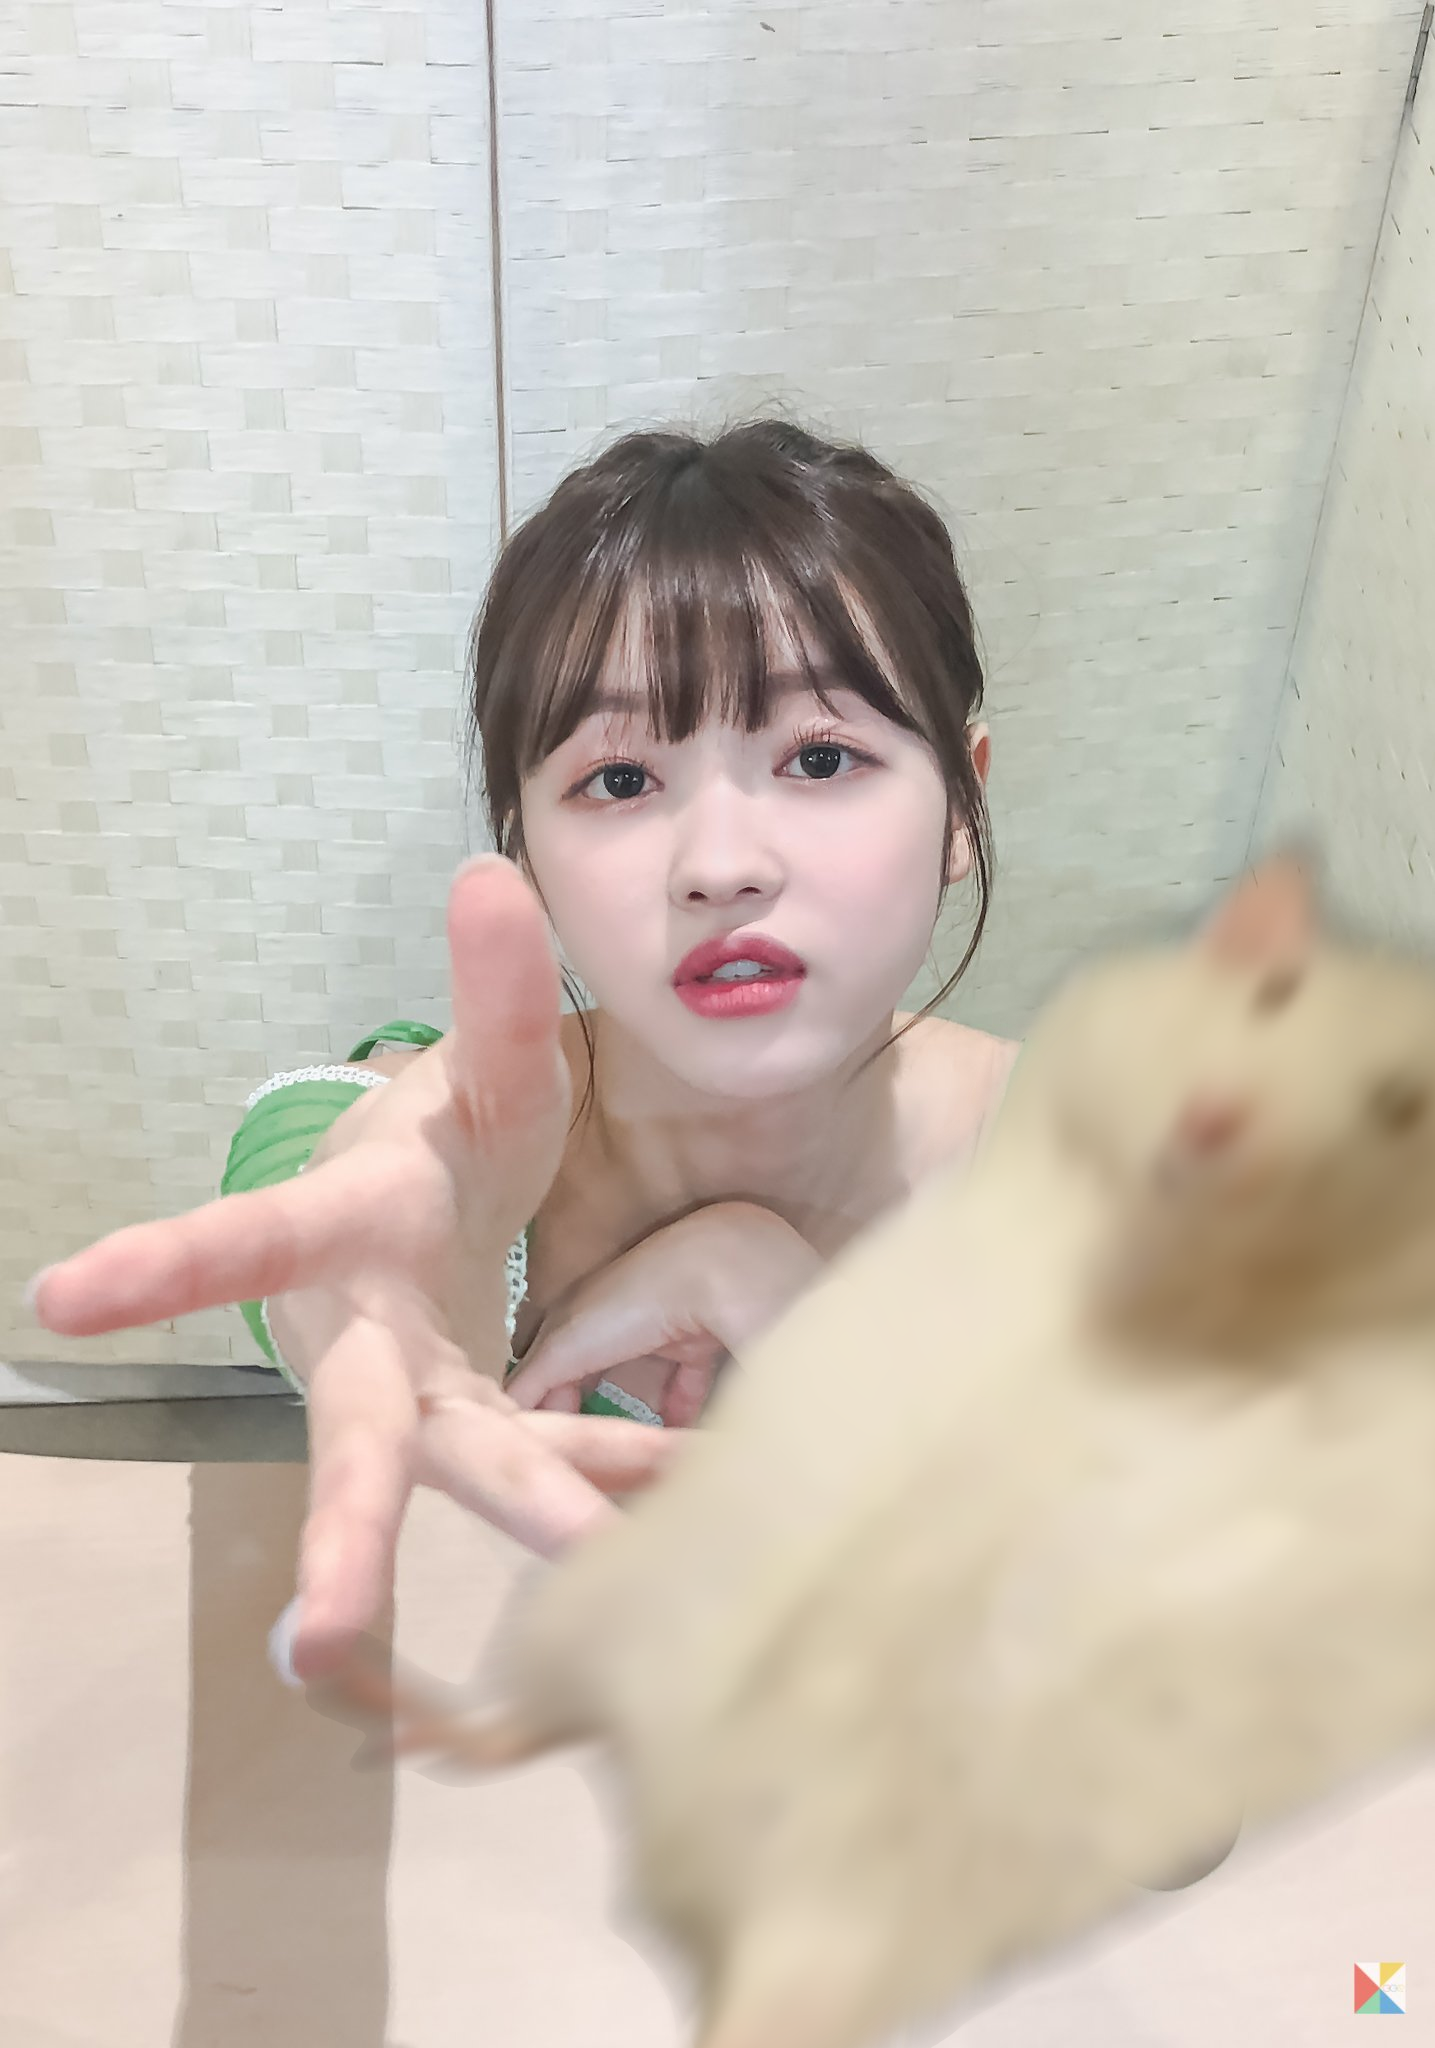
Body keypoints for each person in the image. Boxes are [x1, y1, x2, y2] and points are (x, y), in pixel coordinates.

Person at [24, 418, 1019, 1693]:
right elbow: (320, 1155)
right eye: (620, 780)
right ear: (525, 850)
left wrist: (778, 1295)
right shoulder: (479, 1140)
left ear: (962, 806)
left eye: (821, 757)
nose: (720, 864)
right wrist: (360, 1295)